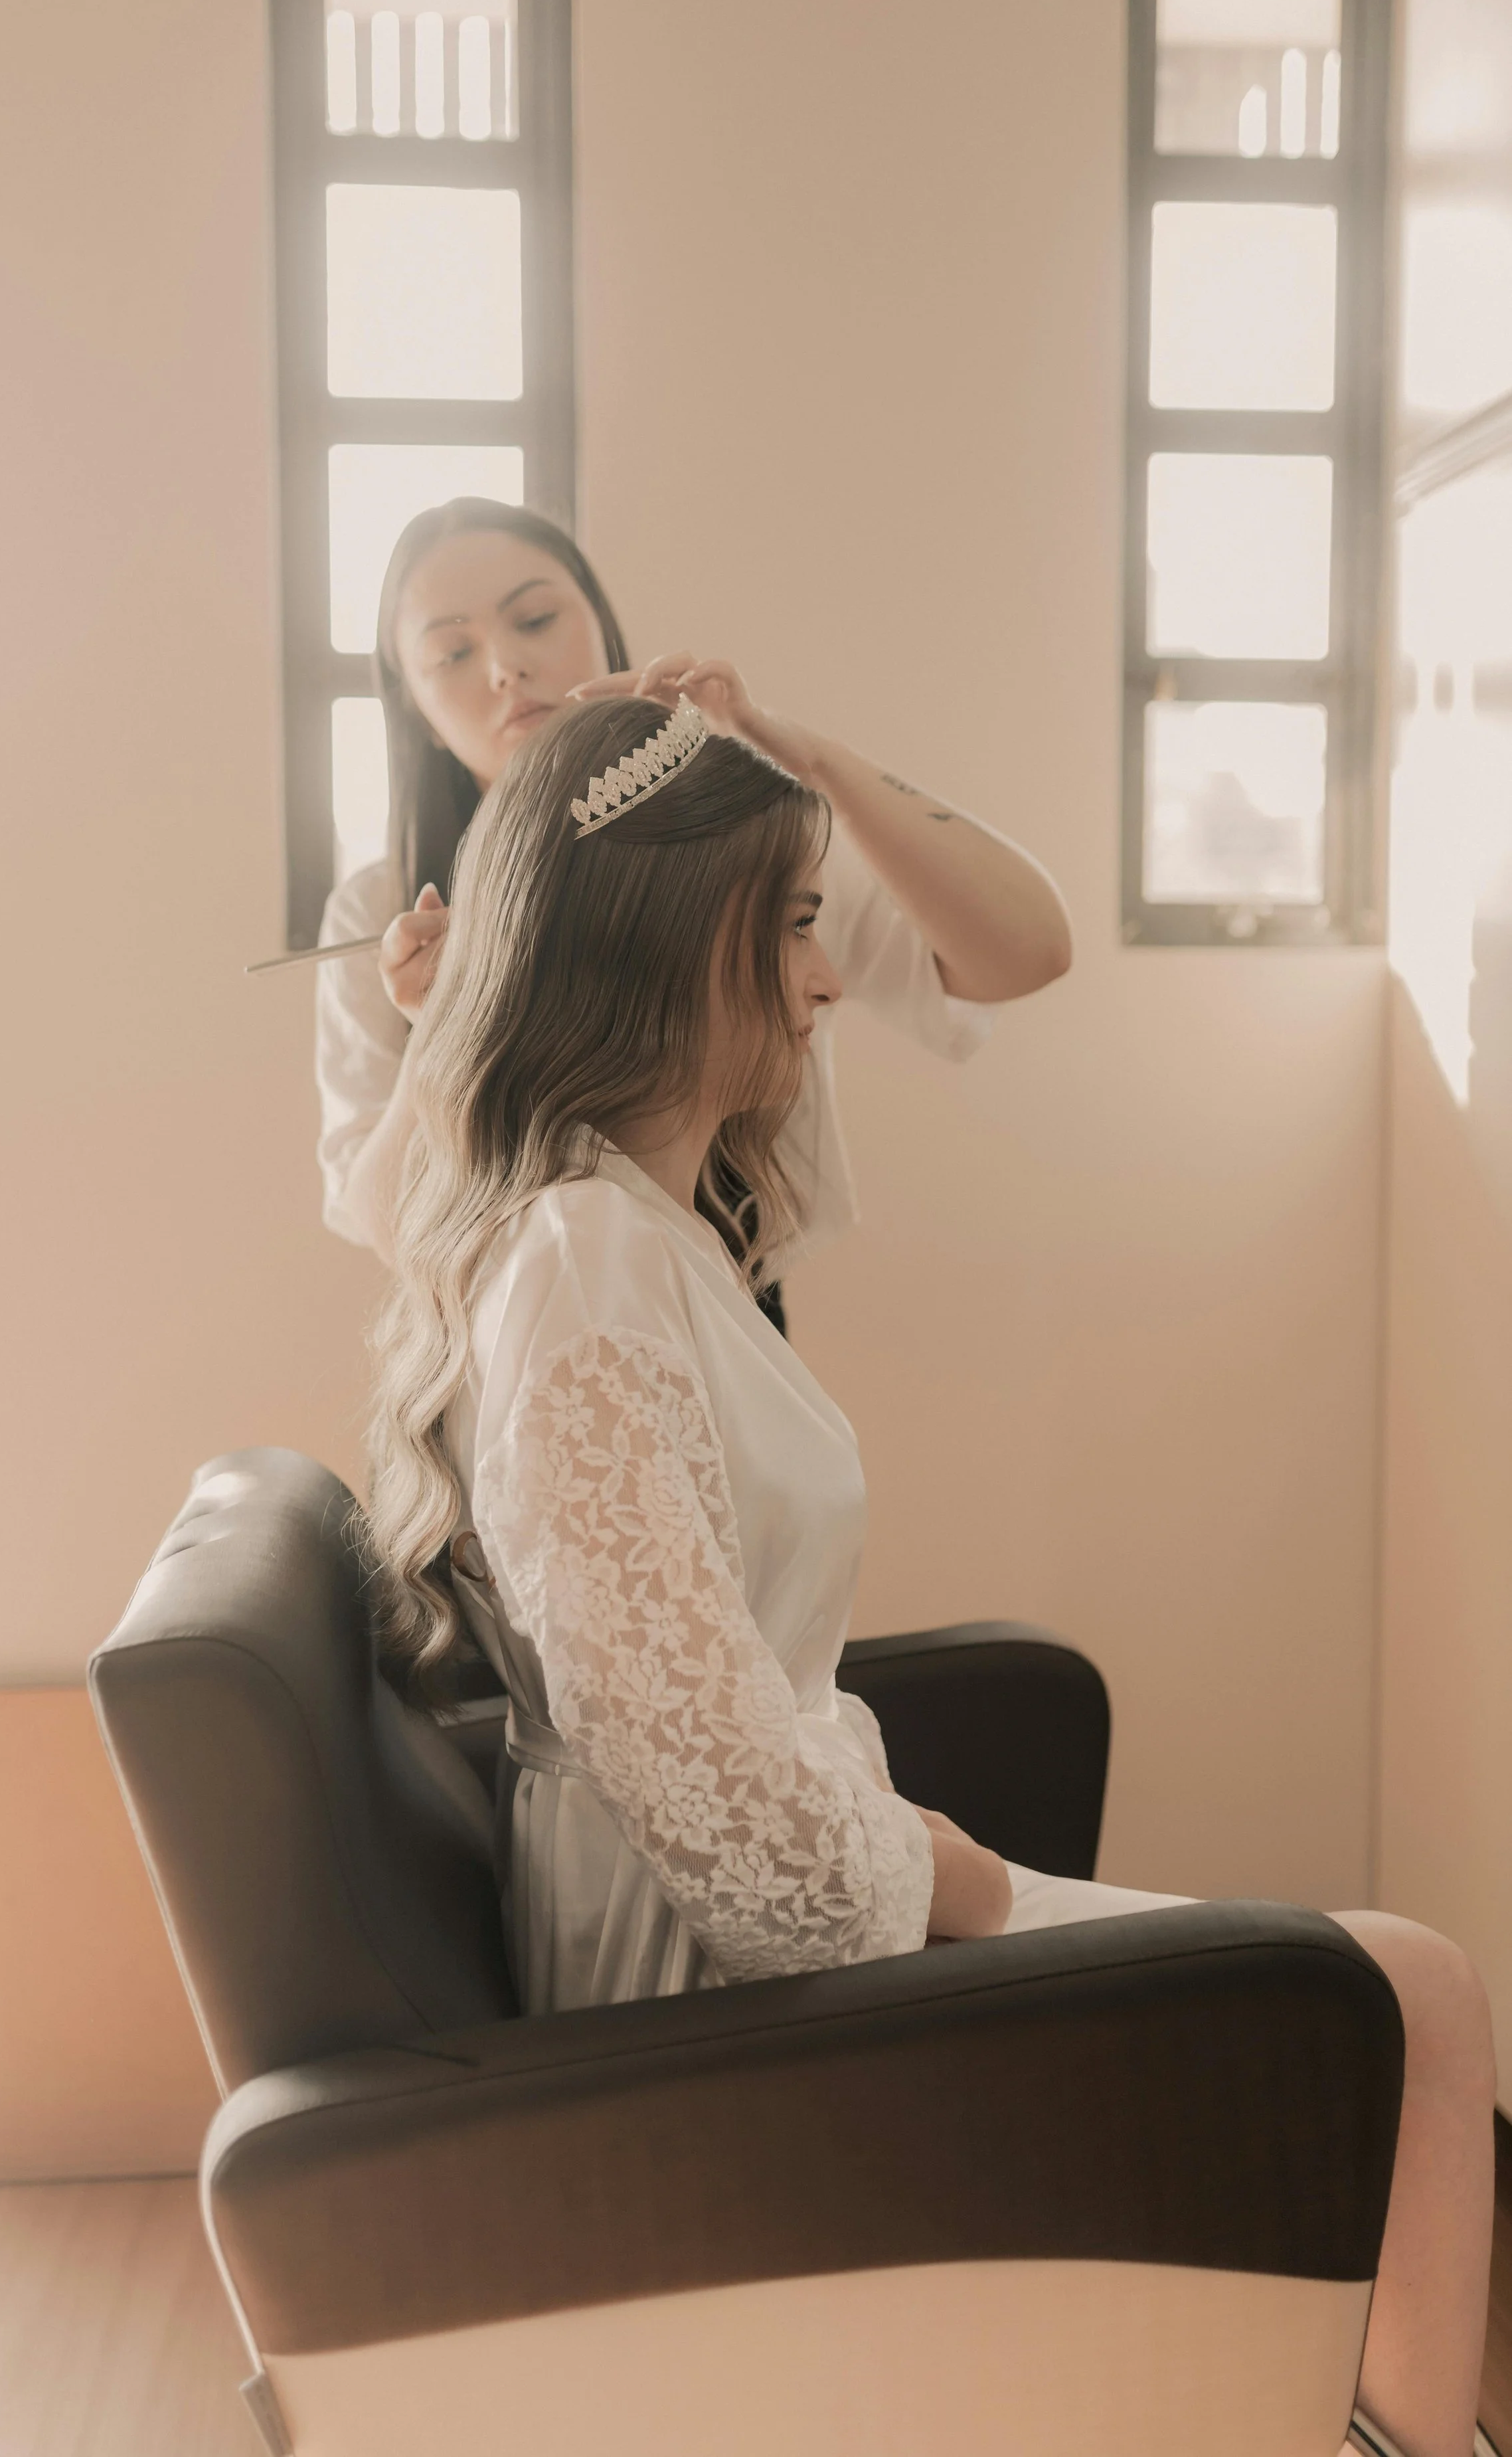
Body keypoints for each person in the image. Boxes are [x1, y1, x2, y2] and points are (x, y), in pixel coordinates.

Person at [366, 693, 1496, 2457]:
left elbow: (1007, 947)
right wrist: (956, 1873)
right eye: (797, 920)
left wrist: (782, 733)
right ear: (678, 941)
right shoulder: (583, 1261)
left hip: (799, 1913)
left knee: (1391, 1995)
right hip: (721, 2004)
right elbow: (711, 1795)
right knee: (1405, 1996)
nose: (828, 981)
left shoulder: (649, 1227)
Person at [313, 499, 1074, 1320]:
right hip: (512, 1350)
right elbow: (389, 1226)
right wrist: (440, 1021)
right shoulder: (384, 909)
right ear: (415, 710)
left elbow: (1027, 950)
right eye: (453, 651)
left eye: (534, 619)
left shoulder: (743, 846)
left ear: (603, 626)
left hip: (729, 1316)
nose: (504, 667)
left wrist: (809, 759)